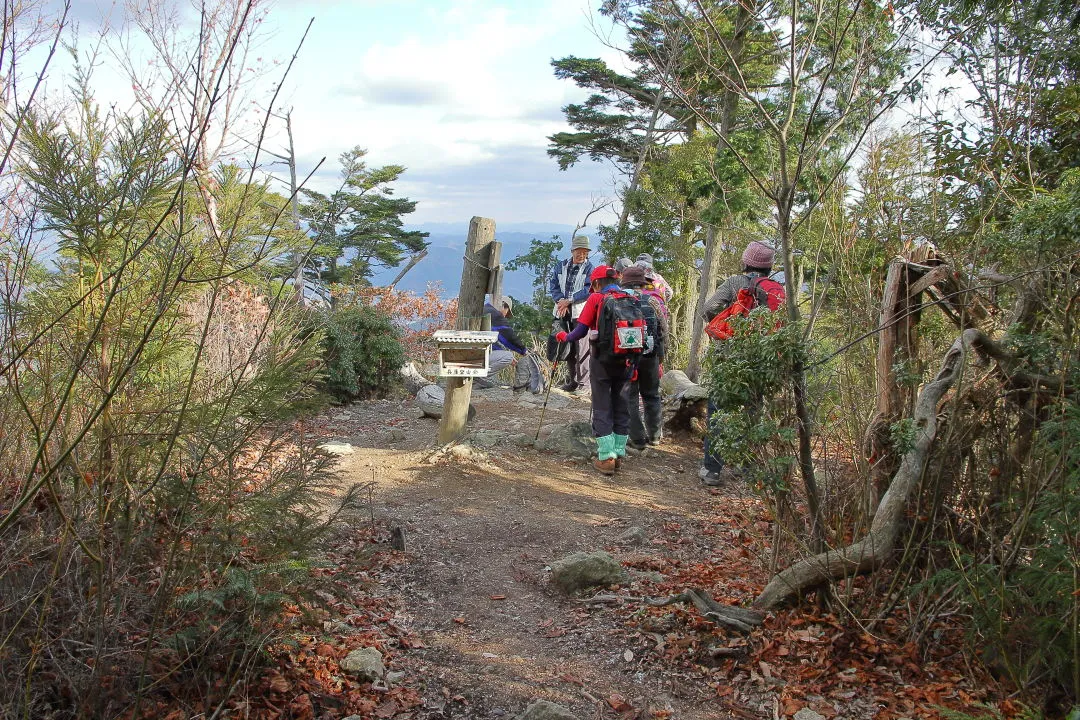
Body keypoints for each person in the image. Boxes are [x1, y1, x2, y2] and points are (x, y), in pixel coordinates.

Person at [697, 240, 784, 486]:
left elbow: (708, 308)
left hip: (729, 357)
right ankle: (747, 469)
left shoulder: (734, 283)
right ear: (769, 267)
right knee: (753, 412)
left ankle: (712, 470)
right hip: (760, 359)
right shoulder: (775, 289)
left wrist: (727, 325)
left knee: (718, 411)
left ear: (746, 262)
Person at [555, 265, 634, 475]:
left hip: (602, 360)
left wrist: (564, 337)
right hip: (627, 360)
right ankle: (619, 454)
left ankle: (606, 457)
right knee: (621, 404)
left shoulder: (596, 299)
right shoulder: (632, 297)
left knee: (602, 405)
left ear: (597, 283)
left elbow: (579, 332)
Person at [620, 265, 668, 449]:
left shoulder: (618, 301)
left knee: (630, 396)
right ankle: (655, 436)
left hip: (626, 357)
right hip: (651, 355)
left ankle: (637, 438)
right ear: (642, 283)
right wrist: (661, 355)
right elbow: (663, 329)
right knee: (652, 395)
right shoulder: (653, 301)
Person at [548, 235, 594, 393]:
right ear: (572, 250)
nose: (581, 255)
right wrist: (561, 301)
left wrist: (570, 301)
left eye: (584, 252)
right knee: (567, 347)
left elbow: (588, 289)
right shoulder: (561, 266)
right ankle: (573, 381)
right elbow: (553, 285)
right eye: (578, 251)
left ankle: (584, 384)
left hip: (580, 312)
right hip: (562, 311)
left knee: (582, 347)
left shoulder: (589, 268)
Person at [484, 296, 527, 375]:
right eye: (507, 312)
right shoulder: (496, 315)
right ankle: (479, 378)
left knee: (505, 356)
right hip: (477, 356)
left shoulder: (485, 310)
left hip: (471, 352)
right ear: (503, 305)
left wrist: (502, 352)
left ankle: (479, 381)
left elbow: (491, 343)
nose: (505, 316)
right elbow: (508, 337)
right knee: (508, 356)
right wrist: (523, 351)